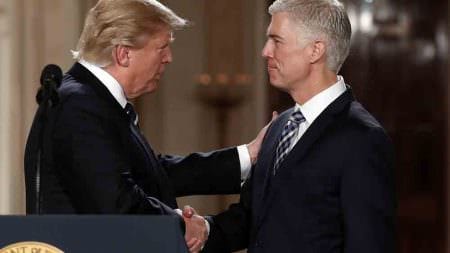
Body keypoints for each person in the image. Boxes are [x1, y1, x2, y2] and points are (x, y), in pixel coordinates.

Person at [23, 1, 271, 252]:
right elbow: (116, 204)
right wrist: (182, 226)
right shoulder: (80, 106)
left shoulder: (93, 100)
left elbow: (151, 173)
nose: (169, 58)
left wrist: (247, 156)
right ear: (123, 53)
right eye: (162, 47)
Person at [190, 0, 396, 252]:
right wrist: (204, 229)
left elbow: (369, 244)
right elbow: (252, 219)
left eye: (277, 40)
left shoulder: (362, 138)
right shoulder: (279, 127)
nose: (265, 51)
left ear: (315, 50)